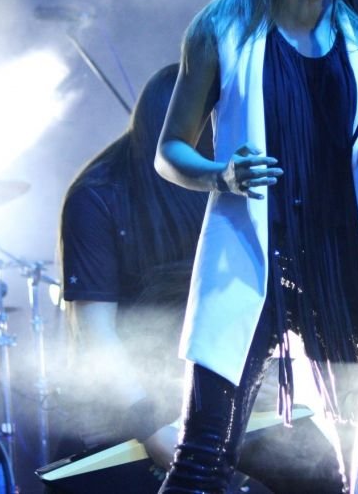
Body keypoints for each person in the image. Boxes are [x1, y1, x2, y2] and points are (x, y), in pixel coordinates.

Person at [154, 0, 358, 493]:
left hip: (341, 267)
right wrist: (221, 174)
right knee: (203, 458)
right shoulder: (222, 29)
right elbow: (168, 152)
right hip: (255, 261)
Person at [58, 64, 210, 471]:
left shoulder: (222, 177)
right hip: (123, 406)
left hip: (198, 386)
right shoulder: (97, 197)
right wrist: (149, 424)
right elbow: (97, 331)